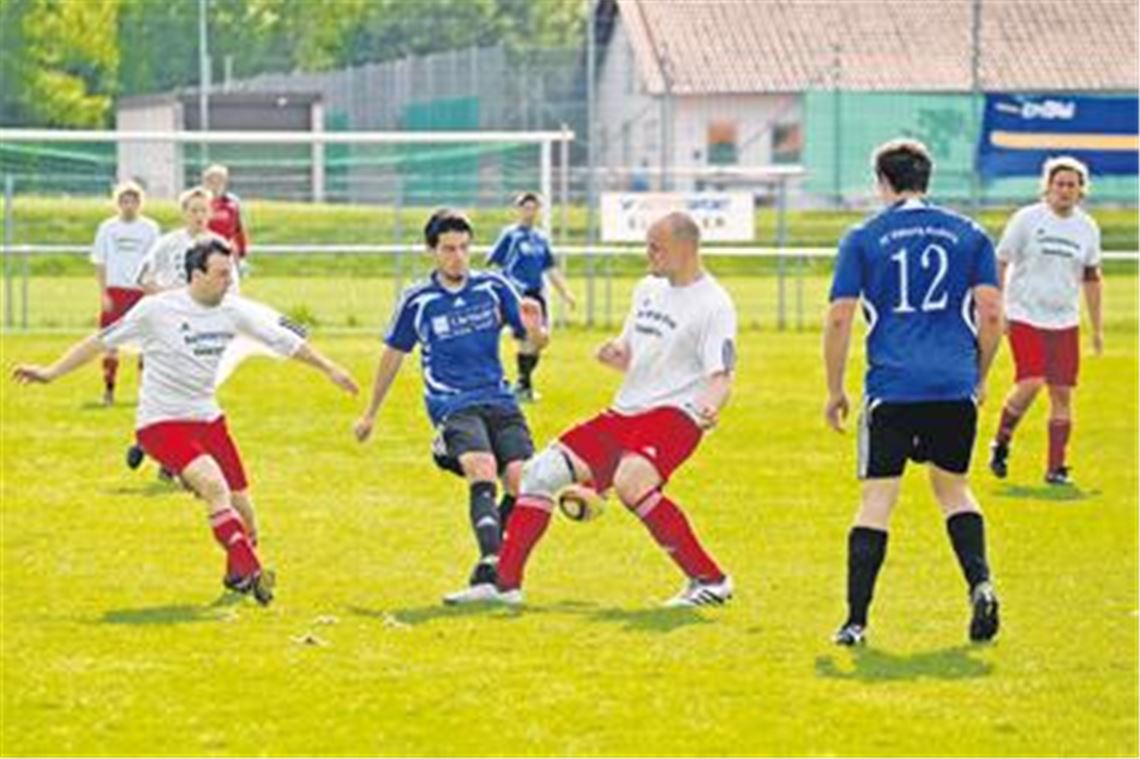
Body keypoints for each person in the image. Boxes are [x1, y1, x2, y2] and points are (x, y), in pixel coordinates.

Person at [12, 239, 358, 604]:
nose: (230, 280)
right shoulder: (156, 310)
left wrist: (329, 368)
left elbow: (285, 339)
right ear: (197, 275)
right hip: (160, 423)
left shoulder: (233, 310)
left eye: (232, 272)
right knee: (214, 487)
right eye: (223, 273)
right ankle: (254, 571)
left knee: (247, 516)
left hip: (208, 419)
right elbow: (100, 341)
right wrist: (50, 372)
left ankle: (237, 575)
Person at [487, 211, 737, 608]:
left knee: (631, 480)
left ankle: (710, 579)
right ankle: (504, 587)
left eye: (656, 248)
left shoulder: (714, 304)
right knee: (540, 474)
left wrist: (710, 406)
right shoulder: (647, 289)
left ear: (685, 249)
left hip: (676, 415)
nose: (648, 255)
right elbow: (630, 353)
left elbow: (720, 374)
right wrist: (615, 353)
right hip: (624, 412)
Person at [823, 138, 1004, 646]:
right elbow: (992, 315)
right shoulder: (969, 234)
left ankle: (856, 622)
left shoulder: (863, 237)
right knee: (953, 490)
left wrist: (834, 389)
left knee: (877, 500)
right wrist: (980, 374)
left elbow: (840, 317)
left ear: (882, 181)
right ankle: (981, 583)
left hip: (893, 388)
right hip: (952, 385)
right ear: (927, 179)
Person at [353, 209, 548, 604]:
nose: (458, 256)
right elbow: (393, 355)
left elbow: (529, 343)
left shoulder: (495, 287)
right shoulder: (419, 301)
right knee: (484, 468)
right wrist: (371, 412)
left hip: (500, 399)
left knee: (520, 482)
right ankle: (495, 566)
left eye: (463, 248)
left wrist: (538, 332)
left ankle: (491, 575)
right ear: (431, 252)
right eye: (448, 249)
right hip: (453, 404)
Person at [987, 156, 1104, 486]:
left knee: (1062, 395)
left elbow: (1092, 278)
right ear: (1048, 188)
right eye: (1060, 184)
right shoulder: (1027, 219)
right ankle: (1001, 442)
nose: (1065, 190)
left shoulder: (1087, 227)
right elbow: (1001, 261)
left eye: (1072, 185)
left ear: (1081, 191)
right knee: (1031, 381)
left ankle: (1056, 468)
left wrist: (1096, 328)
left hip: (1064, 321)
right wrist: (997, 307)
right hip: (1024, 314)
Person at [127, 186, 235, 475]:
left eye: (204, 210)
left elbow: (233, 288)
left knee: (196, 391)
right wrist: (168, 296)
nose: (199, 216)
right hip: (171, 325)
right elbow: (142, 278)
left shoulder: (219, 246)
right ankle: (151, 442)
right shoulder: (167, 244)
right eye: (193, 210)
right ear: (184, 213)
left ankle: (165, 453)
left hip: (204, 328)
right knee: (162, 383)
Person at [487, 192, 576, 402]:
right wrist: (501, 288)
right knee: (528, 338)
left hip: (537, 295)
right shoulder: (510, 235)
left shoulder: (540, 238)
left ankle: (522, 383)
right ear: (518, 210)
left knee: (540, 340)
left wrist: (566, 293)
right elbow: (493, 262)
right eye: (525, 207)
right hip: (518, 295)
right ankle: (522, 386)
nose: (529, 212)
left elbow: (550, 268)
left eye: (533, 208)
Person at [90, 181, 160, 405]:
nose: (129, 205)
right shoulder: (107, 228)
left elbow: (155, 262)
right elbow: (100, 262)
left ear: (140, 203)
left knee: (146, 345)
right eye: (124, 201)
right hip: (116, 291)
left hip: (140, 293)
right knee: (110, 344)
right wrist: (104, 293)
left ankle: (145, 394)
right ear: (117, 203)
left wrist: (152, 290)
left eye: (133, 201)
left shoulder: (150, 228)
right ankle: (109, 391)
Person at [202, 164, 251, 269]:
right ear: (206, 182)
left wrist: (242, 253)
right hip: (204, 251)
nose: (216, 184)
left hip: (227, 251)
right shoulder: (200, 202)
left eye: (219, 180)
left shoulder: (232, 203)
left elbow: (239, 229)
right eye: (212, 180)